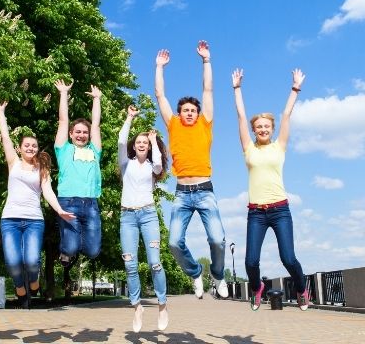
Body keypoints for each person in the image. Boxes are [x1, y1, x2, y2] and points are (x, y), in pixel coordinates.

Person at [231, 67, 309, 311]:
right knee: (250, 262)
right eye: (259, 127)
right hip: (256, 213)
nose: (263, 129)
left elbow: (286, 115)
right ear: (254, 131)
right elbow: (241, 118)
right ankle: (257, 289)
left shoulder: (279, 147)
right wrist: (237, 89)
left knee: (288, 258)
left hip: (280, 210)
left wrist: (295, 88)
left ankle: (301, 288)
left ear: (271, 129)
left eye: (266, 126)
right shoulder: (249, 149)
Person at [155, 40, 228, 299]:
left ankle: (218, 277)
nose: (189, 113)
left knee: (217, 240)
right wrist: (159, 67)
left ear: (198, 113)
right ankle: (196, 272)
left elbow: (208, 90)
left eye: (192, 110)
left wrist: (206, 61)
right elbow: (160, 96)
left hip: (205, 190)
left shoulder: (205, 124)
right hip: (182, 192)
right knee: (174, 243)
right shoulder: (173, 125)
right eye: (185, 110)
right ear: (179, 113)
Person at [0, 102, 75, 308]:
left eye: (34, 146)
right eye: (26, 145)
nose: (31, 148)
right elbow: (5, 137)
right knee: (13, 262)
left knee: (32, 261)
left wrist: (59, 210)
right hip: (10, 219)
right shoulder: (13, 162)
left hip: (34, 221)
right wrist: (0, 113)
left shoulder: (42, 169)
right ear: (19, 148)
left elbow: (48, 191)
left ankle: (33, 283)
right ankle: (20, 289)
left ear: (37, 148)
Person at [118, 105, 169, 333]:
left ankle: (162, 305)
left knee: (154, 263)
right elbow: (120, 140)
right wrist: (129, 118)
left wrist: (155, 140)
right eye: (139, 142)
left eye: (145, 143)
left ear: (148, 147)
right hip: (127, 216)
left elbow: (159, 165)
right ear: (134, 146)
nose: (141, 144)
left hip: (148, 215)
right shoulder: (125, 164)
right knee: (130, 265)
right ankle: (137, 307)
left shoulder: (151, 166)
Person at [54, 80, 102, 266]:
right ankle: (66, 250)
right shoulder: (63, 149)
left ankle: (73, 244)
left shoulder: (94, 150)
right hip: (68, 202)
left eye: (85, 132)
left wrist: (97, 99)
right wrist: (64, 93)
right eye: (78, 132)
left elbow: (96, 125)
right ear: (71, 134)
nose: (81, 135)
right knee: (71, 248)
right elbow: (63, 120)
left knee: (93, 251)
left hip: (91, 204)